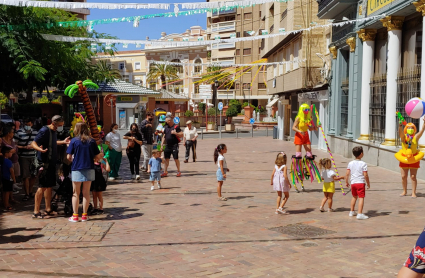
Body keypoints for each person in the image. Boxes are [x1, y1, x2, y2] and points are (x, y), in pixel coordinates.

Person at [31, 115, 70, 219]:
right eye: (59, 125)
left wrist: (63, 142)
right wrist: (40, 150)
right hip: (44, 163)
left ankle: (48, 209)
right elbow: (33, 143)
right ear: (53, 123)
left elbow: (53, 143)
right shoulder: (44, 130)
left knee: (49, 187)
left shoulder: (53, 132)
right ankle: (36, 211)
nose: (60, 127)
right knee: (42, 187)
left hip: (52, 163)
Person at [66, 122, 100, 222]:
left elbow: (68, 156)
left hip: (77, 168)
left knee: (75, 193)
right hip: (89, 167)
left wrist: (74, 159)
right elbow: (97, 156)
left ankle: (75, 215)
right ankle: (84, 215)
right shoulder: (91, 141)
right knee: (86, 193)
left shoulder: (74, 141)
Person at [395, 119, 425, 198]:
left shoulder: (416, 137)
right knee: (403, 176)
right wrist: (400, 126)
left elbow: (422, 131)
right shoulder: (404, 137)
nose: (410, 129)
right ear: (406, 129)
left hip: (413, 159)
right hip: (404, 159)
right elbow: (400, 133)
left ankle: (413, 193)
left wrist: (424, 123)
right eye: (408, 128)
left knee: (413, 176)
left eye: (412, 128)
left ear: (414, 129)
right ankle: (404, 191)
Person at [14, 118, 38, 201]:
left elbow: (38, 142)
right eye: (27, 125)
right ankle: (27, 193)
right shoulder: (19, 132)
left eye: (29, 125)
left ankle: (31, 191)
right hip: (23, 156)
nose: (28, 126)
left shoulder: (35, 132)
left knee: (34, 175)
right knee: (25, 176)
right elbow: (15, 145)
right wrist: (24, 147)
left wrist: (34, 146)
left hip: (34, 156)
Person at [345, 146, 370, 220]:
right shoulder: (363, 163)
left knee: (354, 197)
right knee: (361, 198)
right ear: (361, 153)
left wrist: (346, 181)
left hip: (353, 182)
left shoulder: (350, 163)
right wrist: (368, 183)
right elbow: (365, 175)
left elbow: (347, 174)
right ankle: (360, 213)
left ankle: (352, 211)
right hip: (360, 182)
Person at [2, 146, 16, 211]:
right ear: (6, 153)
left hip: (3, 178)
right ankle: (7, 205)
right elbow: (11, 171)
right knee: (7, 192)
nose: (11, 154)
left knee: (4, 191)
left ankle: (4, 203)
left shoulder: (2, 161)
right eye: (10, 152)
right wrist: (14, 179)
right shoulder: (8, 161)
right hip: (8, 178)